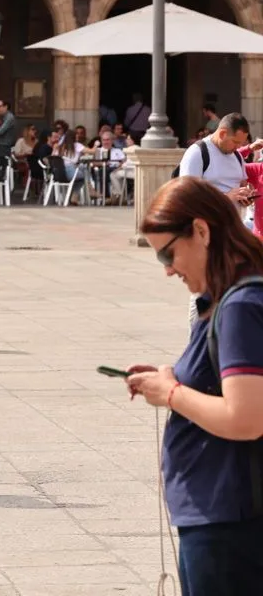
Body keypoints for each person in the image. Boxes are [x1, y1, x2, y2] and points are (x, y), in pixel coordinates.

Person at [128, 177, 263, 596]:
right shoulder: (229, 296)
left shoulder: (241, 304)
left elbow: (245, 418)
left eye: (167, 253)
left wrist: (170, 393)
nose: (168, 269)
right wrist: (174, 378)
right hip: (222, 514)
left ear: (201, 231)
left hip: (230, 521)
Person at [179, 113, 253, 206]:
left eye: (241, 143)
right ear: (222, 134)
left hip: (233, 215)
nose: (238, 147)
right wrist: (226, 198)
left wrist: (245, 197)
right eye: (235, 142)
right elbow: (187, 195)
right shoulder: (197, 152)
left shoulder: (237, 156)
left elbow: (242, 184)